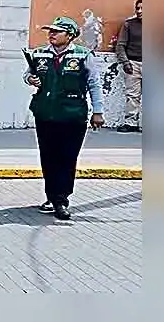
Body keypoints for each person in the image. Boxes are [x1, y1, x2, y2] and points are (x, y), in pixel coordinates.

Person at [24, 16, 105, 220]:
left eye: (56, 31)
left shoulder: (83, 55)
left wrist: (98, 111)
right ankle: (52, 196)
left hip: (73, 115)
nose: (51, 34)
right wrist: (30, 78)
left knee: (67, 157)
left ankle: (61, 199)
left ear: (69, 36)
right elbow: (28, 74)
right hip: (45, 113)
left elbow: (94, 84)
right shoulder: (40, 53)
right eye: (50, 30)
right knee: (48, 157)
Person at [114, 0, 142, 133]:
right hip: (134, 63)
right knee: (132, 95)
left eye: (143, 8)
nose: (139, 11)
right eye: (137, 8)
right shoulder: (129, 25)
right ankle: (131, 123)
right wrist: (125, 62)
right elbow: (120, 45)